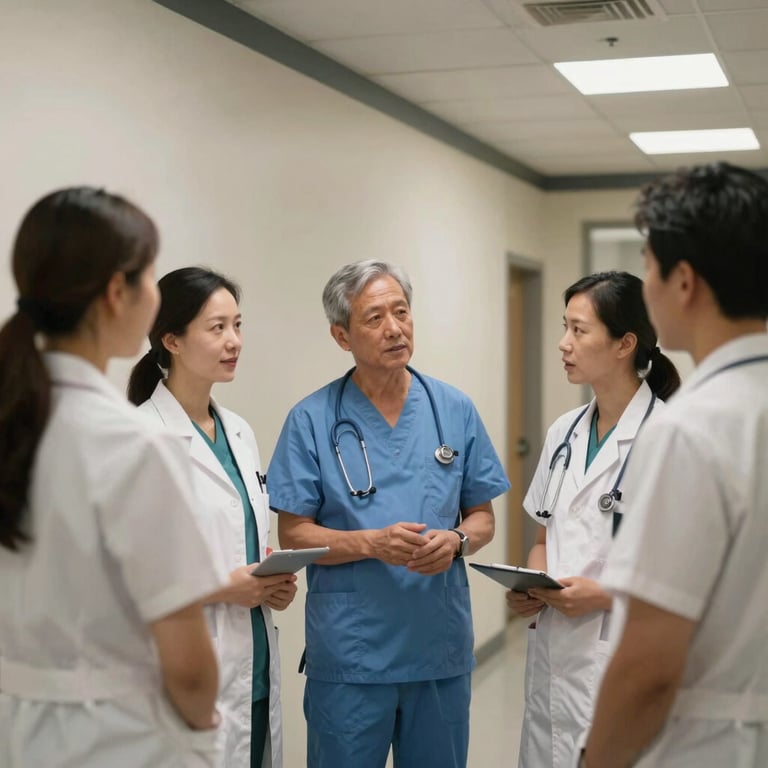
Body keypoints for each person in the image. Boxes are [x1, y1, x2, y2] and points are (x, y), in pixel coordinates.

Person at [0, 188, 226, 767]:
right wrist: (204, 740)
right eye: (151, 277)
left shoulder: (17, 418)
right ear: (115, 294)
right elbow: (190, 668)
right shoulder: (133, 443)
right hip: (121, 742)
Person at [267, 259, 510, 768]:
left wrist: (459, 541)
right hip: (353, 657)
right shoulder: (311, 420)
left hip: (437, 651)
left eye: (402, 312)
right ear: (342, 335)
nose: (395, 328)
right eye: (374, 318)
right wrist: (371, 543)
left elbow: (482, 518)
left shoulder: (453, 409)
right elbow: (292, 535)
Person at [580, 163, 768, 767]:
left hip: (710, 746)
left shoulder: (690, 429)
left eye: (650, 265)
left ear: (683, 281)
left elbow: (649, 670)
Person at [506, 270, 681, 768]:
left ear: (625, 343)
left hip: (623, 657)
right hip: (552, 654)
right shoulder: (564, 432)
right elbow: (545, 536)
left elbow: (689, 576)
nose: (563, 343)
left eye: (579, 331)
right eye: (565, 327)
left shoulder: (669, 437)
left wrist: (601, 595)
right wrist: (530, 583)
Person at [128, 267, 297, 768]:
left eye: (237, 326)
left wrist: (272, 581)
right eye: (216, 328)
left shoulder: (240, 432)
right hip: (182, 669)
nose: (234, 342)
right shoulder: (139, 438)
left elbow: (242, 539)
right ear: (172, 340)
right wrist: (226, 587)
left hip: (255, 665)